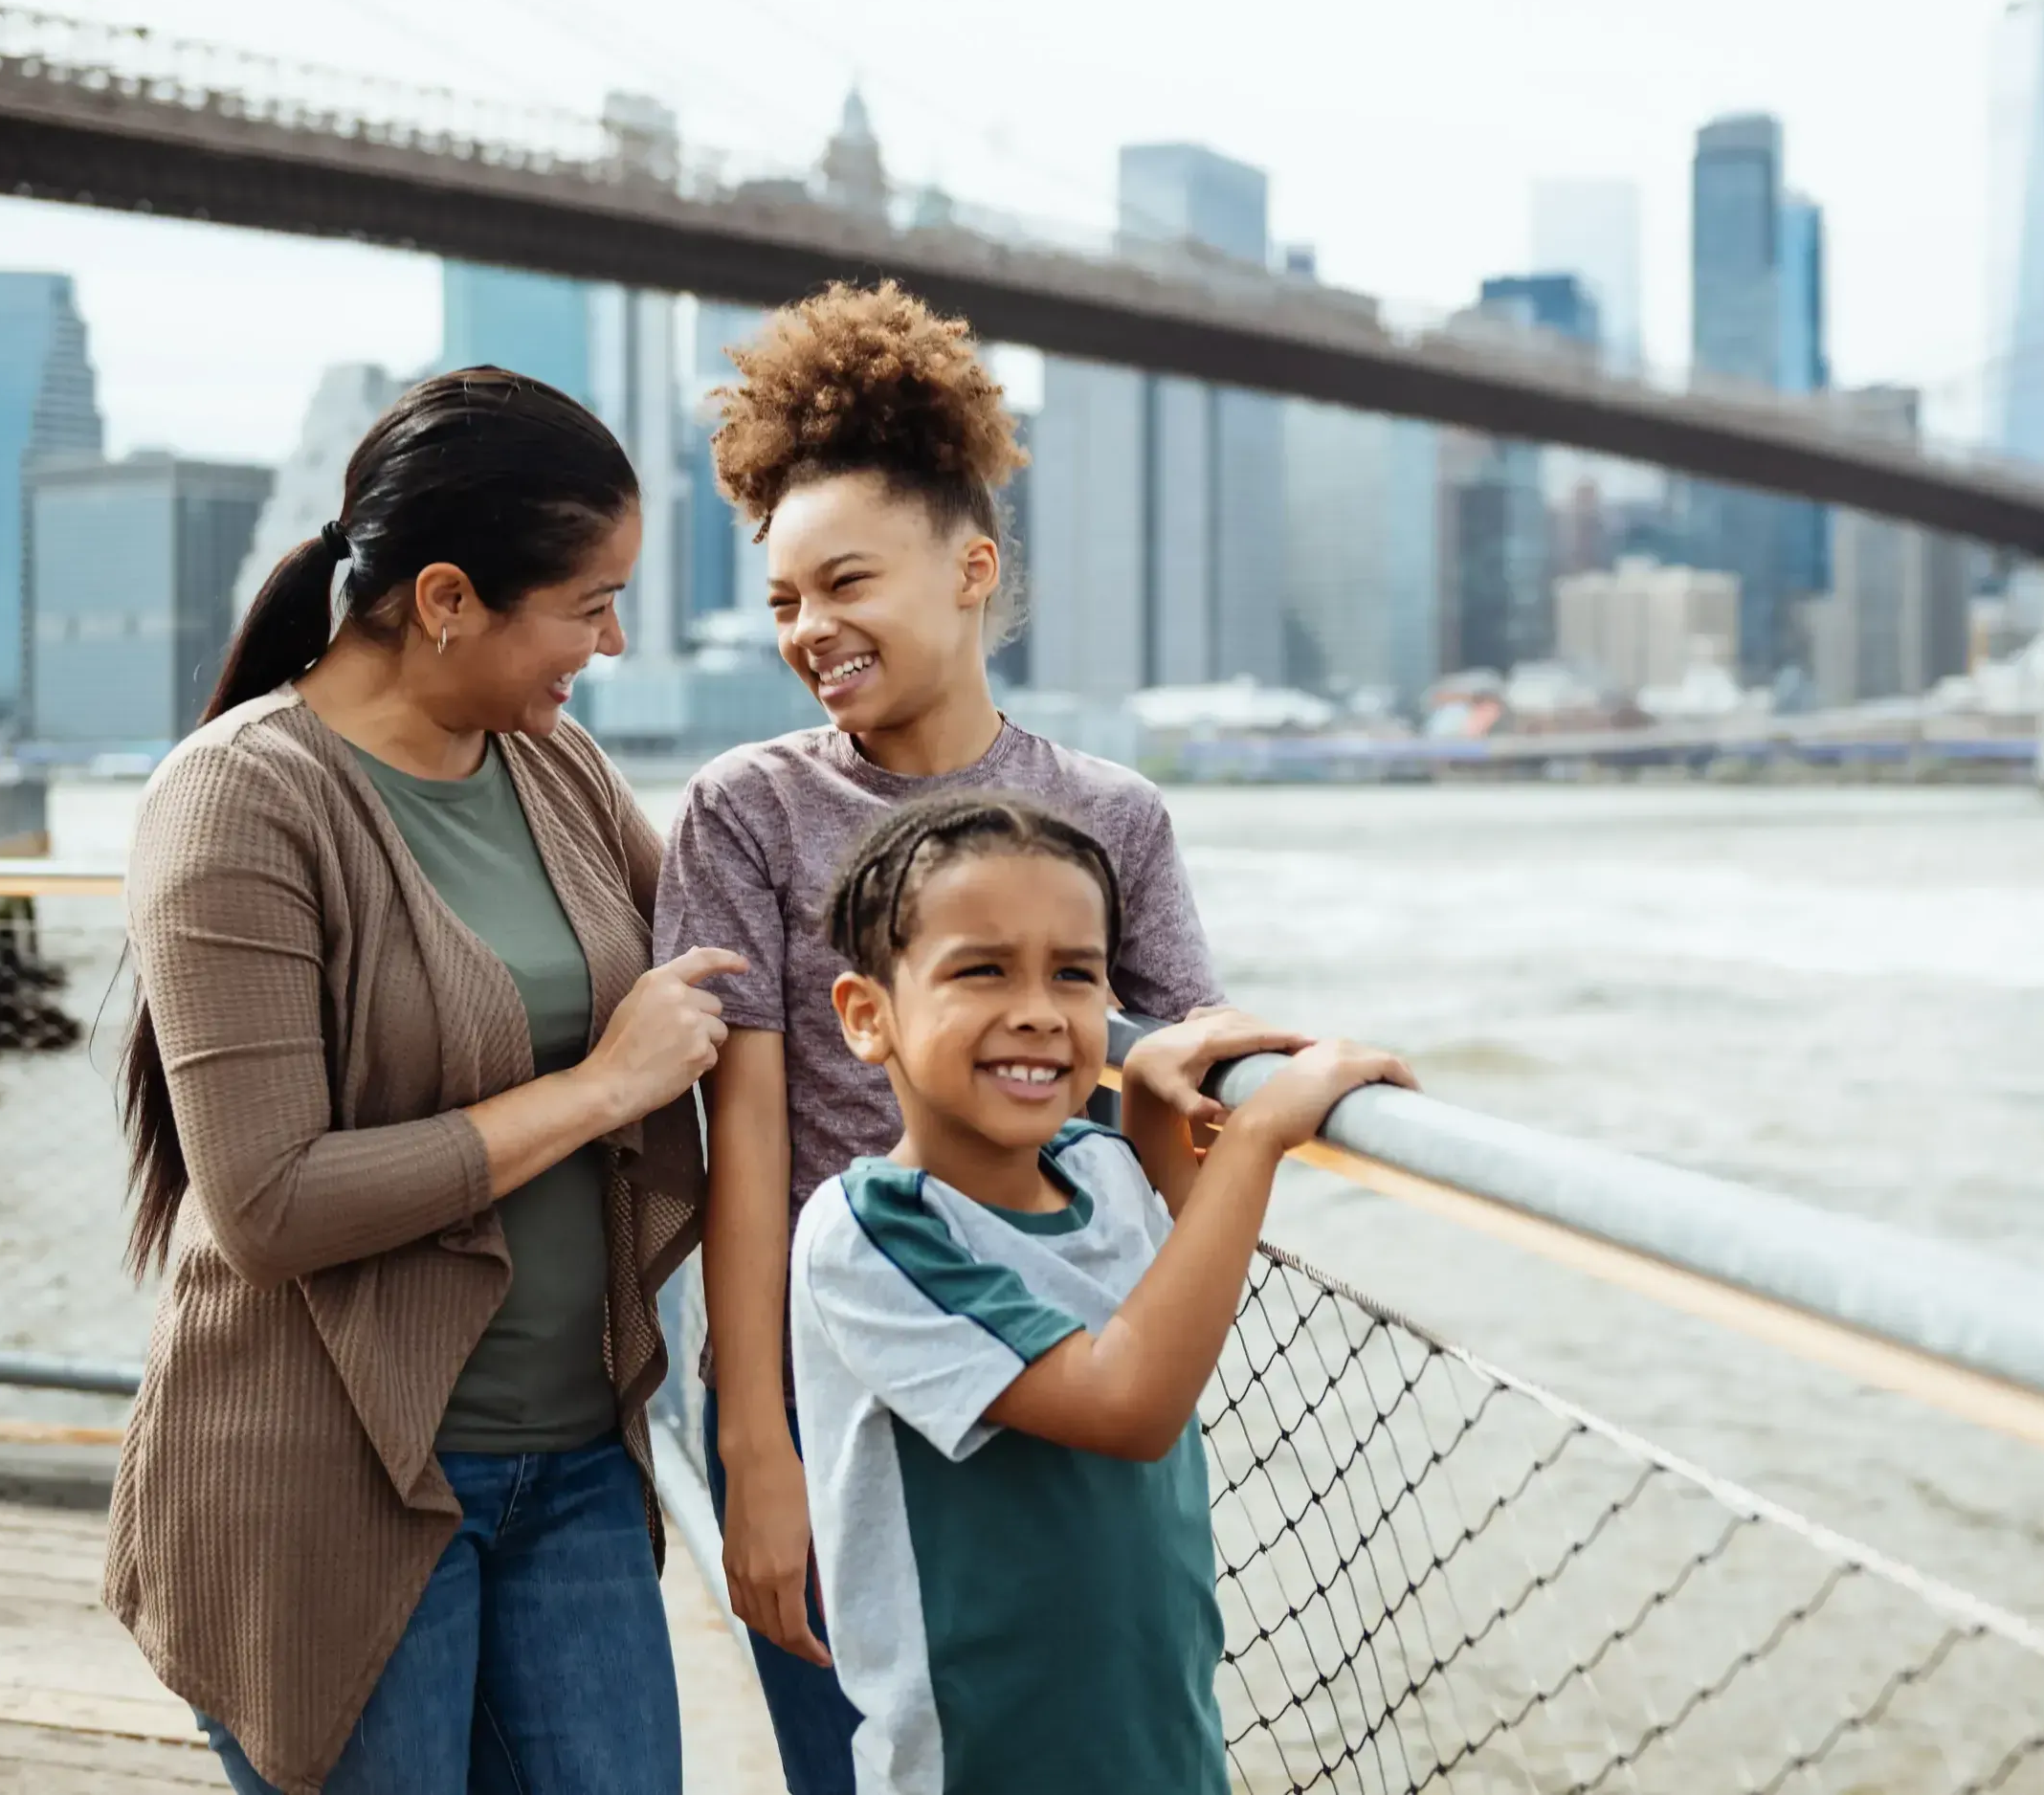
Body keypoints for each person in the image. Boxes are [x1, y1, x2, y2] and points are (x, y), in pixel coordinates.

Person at [109, 368, 741, 1795]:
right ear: (447, 598)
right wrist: (593, 1091)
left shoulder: (555, 764)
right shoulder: (239, 798)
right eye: (588, 602)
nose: (615, 638)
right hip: (331, 1482)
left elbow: (741, 953)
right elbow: (268, 1202)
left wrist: (1124, 1014)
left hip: (574, 1462)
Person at [651, 280, 1242, 1789]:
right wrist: (755, 1447)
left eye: (846, 583)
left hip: (1060, 1364)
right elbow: (753, 1138)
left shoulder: (1116, 814)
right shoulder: (746, 807)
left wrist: (1211, 1065)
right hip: (845, 1381)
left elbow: (1160, 1086)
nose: (810, 630)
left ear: (972, 567)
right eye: (783, 599)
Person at [794, 790, 1411, 1793]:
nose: (1038, 1008)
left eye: (1074, 974)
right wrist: (1257, 1135)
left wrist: (1162, 1116)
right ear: (870, 1016)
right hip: (982, 1765)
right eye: (982, 969)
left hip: (1163, 1742)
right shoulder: (875, 1231)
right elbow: (1128, 1403)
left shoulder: (1100, 1169)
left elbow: (1167, 1289)